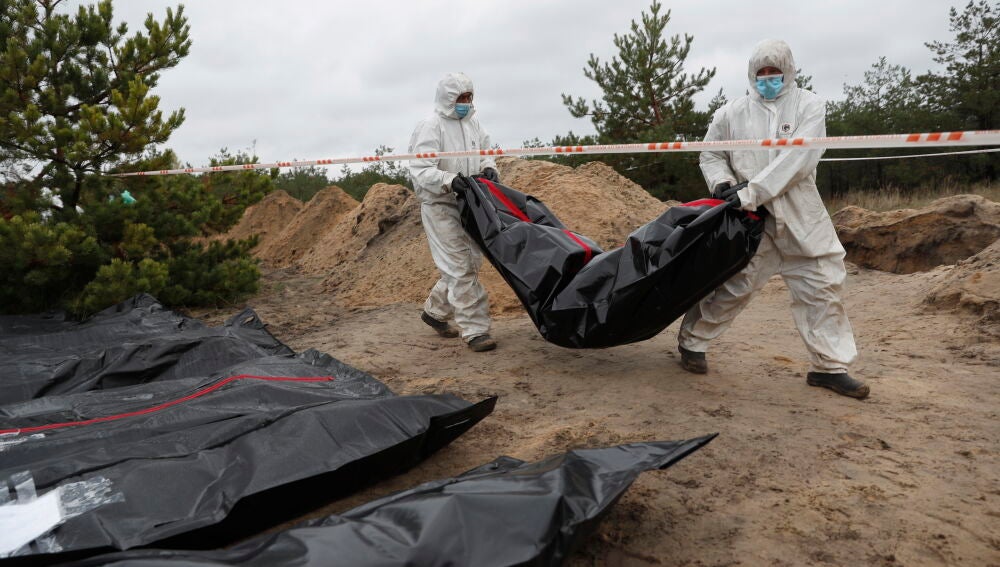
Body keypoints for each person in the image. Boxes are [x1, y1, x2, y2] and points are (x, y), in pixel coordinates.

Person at [676, 39, 869, 399]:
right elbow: (711, 154)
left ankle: (829, 368)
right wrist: (723, 183)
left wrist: (751, 191)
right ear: (752, 73)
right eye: (761, 72)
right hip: (751, 221)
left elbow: (798, 161)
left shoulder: (809, 105)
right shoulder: (731, 113)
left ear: (788, 71)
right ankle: (692, 344)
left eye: (774, 72)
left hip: (801, 217)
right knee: (734, 287)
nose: (768, 78)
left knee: (822, 288)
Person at [408, 72, 499, 352]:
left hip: (470, 201)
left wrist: (489, 167)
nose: (466, 102)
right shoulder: (431, 126)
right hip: (440, 205)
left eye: (469, 97)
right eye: (461, 97)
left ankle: (435, 312)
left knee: (471, 262)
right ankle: (475, 330)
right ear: (448, 98)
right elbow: (420, 170)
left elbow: (486, 150)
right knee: (459, 266)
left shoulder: (473, 123)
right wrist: (449, 181)